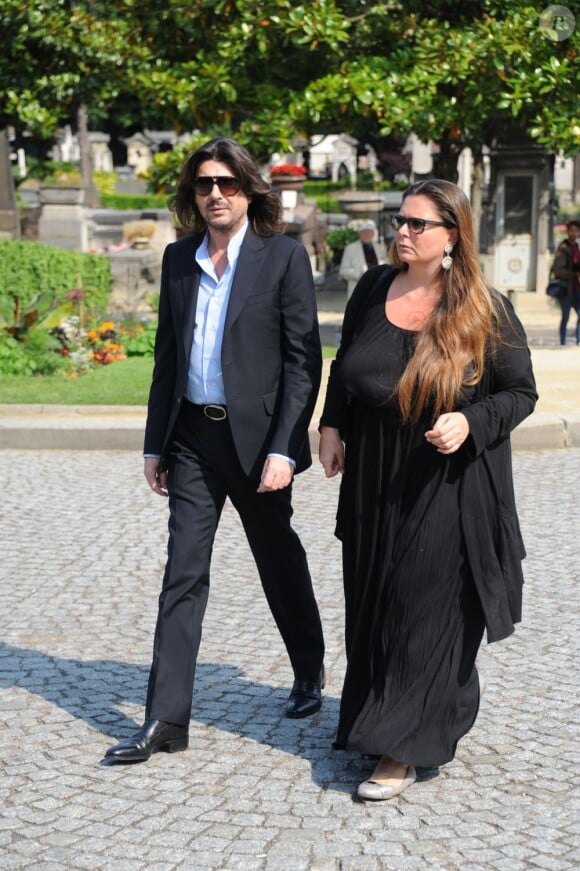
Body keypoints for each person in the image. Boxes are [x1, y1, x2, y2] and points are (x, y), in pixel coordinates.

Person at [105, 137, 325, 764]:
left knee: (277, 558)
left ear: (250, 190)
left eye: (227, 183)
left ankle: (309, 669)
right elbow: (167, 359)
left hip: (257, 445)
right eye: (204, 184)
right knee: (182, 575)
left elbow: (302, 364)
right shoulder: (179, 260)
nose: (216, 195)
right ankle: (166, 719)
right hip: (193, 440)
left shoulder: (282, 257)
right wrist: (155, 444)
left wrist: (286, 447)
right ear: (192, 193)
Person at [319, 179, 537, 802]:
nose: (403, 231)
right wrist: (332, 424)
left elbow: (519, 394)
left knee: (426, 610)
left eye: (418, 224)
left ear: (452, 237)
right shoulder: (370, 288)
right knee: (373, 603)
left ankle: (401, 748)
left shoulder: (484, 309)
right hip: (372, 477)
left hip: (449, 482)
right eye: (401, 220)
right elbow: (346, 364)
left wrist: (470, 421)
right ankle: (396, 713)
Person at [339, 219, 388, 299]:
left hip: (377, 290)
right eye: (364, 232)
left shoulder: (380, 248)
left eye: (369, 232)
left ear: (372, 234)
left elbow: (386, 264)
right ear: (359, 233)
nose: (367, 234)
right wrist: (360, 273)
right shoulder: (350, 248)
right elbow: (343, 271)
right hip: (358, 290)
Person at [550, 219, 580, 345]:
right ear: (568, 232)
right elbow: (558, 270)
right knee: (565, 317)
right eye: (571, 230)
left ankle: (578, 340)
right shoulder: (563, 248)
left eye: (576, 231)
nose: (573, 233)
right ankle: (563, 342)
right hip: (566, 288)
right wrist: (573, 273)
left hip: (577, 288)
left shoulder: (577, 247)